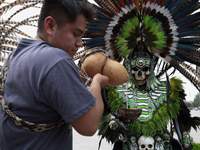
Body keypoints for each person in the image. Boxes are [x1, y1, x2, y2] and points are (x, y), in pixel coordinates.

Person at [0, 0, 109, 149]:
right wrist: (96, 83)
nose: (80, 43)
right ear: (50, 26)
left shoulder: (13, 58)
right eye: (75, 34)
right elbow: (89, 126)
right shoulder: (56, 60)